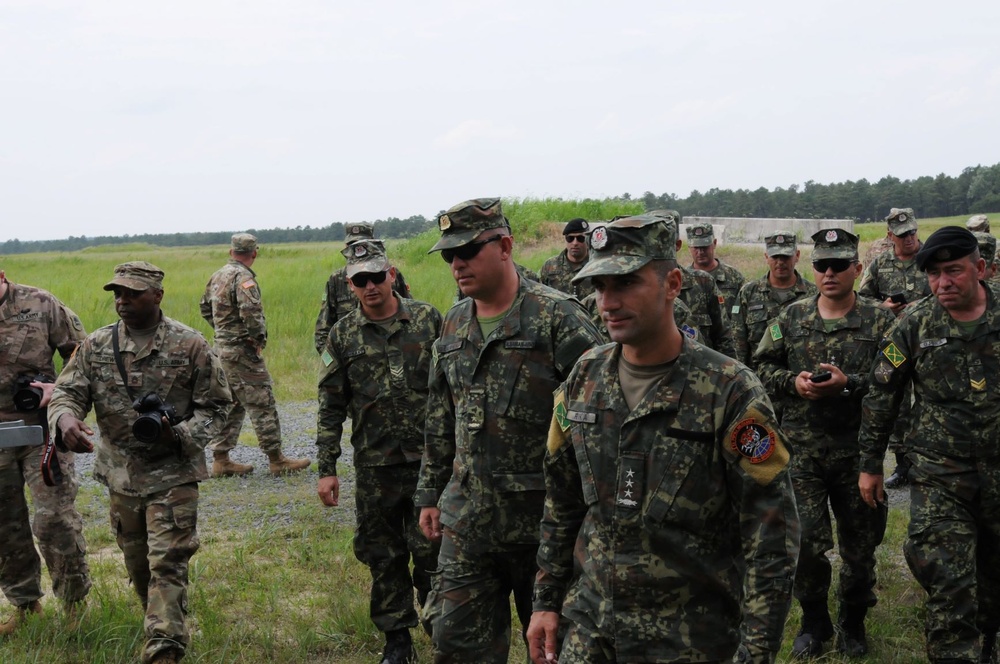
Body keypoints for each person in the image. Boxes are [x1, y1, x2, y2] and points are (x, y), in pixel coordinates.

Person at [525, 214, 800, 664]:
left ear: (672, 283)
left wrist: (757, 650)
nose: (607, 303)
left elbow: (771, 535)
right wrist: (546, 600)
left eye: (625, 283)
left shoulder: (729, 390)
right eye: (599, 288)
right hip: (592, 629)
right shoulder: (584, 378)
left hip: (689, 639)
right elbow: (562, 501)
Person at [415, 197, 602, 663]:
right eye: (449, 256)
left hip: (545, 525)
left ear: (505, 246)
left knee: (557, 649)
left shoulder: (559, 318)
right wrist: (429, 493)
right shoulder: (455, 321)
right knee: (456, 646)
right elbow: (442, 414)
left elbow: (600, 420)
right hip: (469, 523)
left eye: (468, 251)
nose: (457, 264)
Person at [48, 261, 232, 664]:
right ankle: (163, 617)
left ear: (158, 295)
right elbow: (67, 393)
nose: (123, 300)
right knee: (139, 566)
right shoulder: (96, 345)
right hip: (121, 476)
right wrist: (65, 420)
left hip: (173, 474)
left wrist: (180, 435)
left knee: (167, 560)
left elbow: (218, 407)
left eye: (133, 293)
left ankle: (164, 648)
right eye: (118, 293)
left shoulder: (190, 344)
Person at [858, 226, 1000, 663]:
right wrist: (870, 464)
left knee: (992, 578)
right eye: (935, 274)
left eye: (954, 271)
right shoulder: (916, 323)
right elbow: (882, 392)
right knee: (949, 579)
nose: (944, 283)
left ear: (980, 269)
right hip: (941, 474)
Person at [755, 229, 894, 657]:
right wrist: (792, 383)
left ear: (857, 268)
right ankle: (814, 623)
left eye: (839, 265)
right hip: (803, 454)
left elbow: (897, 379)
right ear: (811, 269)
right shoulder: (791, 318)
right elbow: (761, 366)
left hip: (858, 452)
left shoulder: (882, 321)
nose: (829, 273)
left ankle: (854, 623)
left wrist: (848, 385)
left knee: (859, 546)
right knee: (807, 545)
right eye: (821, 265)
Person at [316, 240, 441, 664]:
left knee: (432, 551)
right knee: (383, 555)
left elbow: (453, 389)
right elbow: (331, 403)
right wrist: (326, 467)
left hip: (430, 464)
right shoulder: (343, 333)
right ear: (350, 285)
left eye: (375, 276)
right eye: (359, 280)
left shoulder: (427, 320)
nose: (369, 286)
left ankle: (440, 623)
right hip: (375, 466)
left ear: (391, 275)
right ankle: (397, 641)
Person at [0, 268, 91, 634]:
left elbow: (83, 354)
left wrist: (60, 389)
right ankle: (25, 605)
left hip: (39, 428)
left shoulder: (40, 303)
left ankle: (73, 605)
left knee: (54, 518)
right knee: (4, 524)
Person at [200, 233, 311, 477]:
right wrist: (257, 339)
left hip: (221, 350)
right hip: (242, 352)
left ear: (231, 252)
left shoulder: (217, 275)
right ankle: (276, 459)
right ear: (254, 253)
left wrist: (222, 332)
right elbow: (250, 312)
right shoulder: (244, 278)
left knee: (232, 403)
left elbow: (204, 307)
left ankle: (221, 459)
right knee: (262, 402)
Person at [858, 207, 931, 490]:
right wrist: (884, 306)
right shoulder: (880, 264)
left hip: (928, 341)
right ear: (891, 236)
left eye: (912, 232)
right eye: (902, 235)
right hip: (894, 345)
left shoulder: (930, 259)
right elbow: (863, 300)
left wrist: (920, 306)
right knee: (897, 404)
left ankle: (930, 459)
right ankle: (903, 465)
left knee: (930, 399)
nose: (909, 238)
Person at [314, 222, 412, 353]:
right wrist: (334, 363)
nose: (370, 286)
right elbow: (323, 330)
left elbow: (410, 313)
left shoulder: (388, 273)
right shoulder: (336, 279)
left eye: (362, 244)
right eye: (351, 245)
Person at [731, 230, 817, 368]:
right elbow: (738, 341)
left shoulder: (813, 294)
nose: (780, 262)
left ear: (797, 256)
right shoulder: (748, 293)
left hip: (799, 380)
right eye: (775, 257)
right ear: (766, 257)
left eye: (786, 257)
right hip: (759, 379)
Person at [685, 220, 746, 309]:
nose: (700, 252)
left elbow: (743, 310)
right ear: (689, 248)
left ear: (714, 243)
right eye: (696, 248)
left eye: (704, 247)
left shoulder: (734, 277)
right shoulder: (683, 279)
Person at [539, 217, 595, 299]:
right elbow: (541, 294)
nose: (575, 243)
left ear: (587, 239)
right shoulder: (550, 266)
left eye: (580, 238)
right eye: (570, 238)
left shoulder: (594, 264)